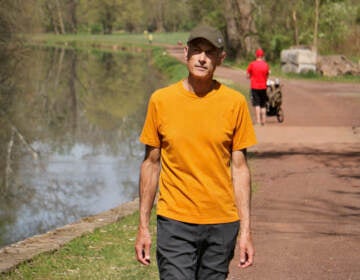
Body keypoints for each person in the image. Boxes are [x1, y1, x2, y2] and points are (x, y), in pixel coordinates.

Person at [135, 24, 257, 280]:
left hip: (222, 223)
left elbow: (240, 168)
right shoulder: (161, 100)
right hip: (175, 221)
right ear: (186, 53)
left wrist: (245, 230)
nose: (202, 58)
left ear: (220, 59)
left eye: (209, 52)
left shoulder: (234, 103)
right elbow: (151, 164)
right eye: (197, 50)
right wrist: (143, 226)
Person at [247, 48, 270, 126]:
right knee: (263, 104)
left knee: (257, 104)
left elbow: (248, 75)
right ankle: (264, 120)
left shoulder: (252, 64)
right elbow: (267, 75)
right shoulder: (265, 65)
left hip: (255, 87)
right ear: (262, 55)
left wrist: (250, 76)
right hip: (263, 87)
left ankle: (258, 121)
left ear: (256, 55)